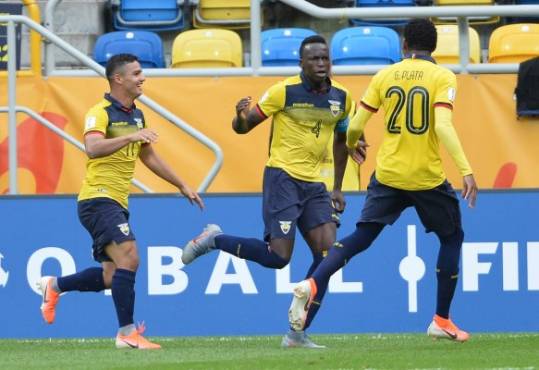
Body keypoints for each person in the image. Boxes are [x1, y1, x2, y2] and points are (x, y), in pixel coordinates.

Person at [288, 19, 478, 343]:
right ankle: (441, 320)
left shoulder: (385, 75)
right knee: (452, 237)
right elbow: (443, 125)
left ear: (404, 46)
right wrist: (466, 169)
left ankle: (314, 281)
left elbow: (358, 122)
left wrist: (350, 145)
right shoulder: (442, 76)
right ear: (433, 48)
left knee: (362, 236)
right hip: (425, 178)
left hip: (388, 174)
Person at [181, 35, 358, 348]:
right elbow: (244, 126)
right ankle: (214, 239)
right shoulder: (284, 91)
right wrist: (239, 115)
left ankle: (296, 334)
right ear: (301, 63)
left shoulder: (342, 98)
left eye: (325, 59)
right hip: (283, 180)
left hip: (315, 185)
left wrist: (338, 188)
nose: (320, 64)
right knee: (278, 258)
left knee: (331, 255)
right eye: (314, 59)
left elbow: (342, 141)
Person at [37, 53, 204, 349]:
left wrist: (181, 184)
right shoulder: (99, 112)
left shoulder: (136, 115)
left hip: (116, 201)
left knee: (112, 275)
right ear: (119, 79)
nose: (143, 78)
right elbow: (92, 147)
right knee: (130, 256)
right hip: (97, 198)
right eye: (137, 73)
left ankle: (55, 286)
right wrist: (130, 137)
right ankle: (127, 334)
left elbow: (147, 154)